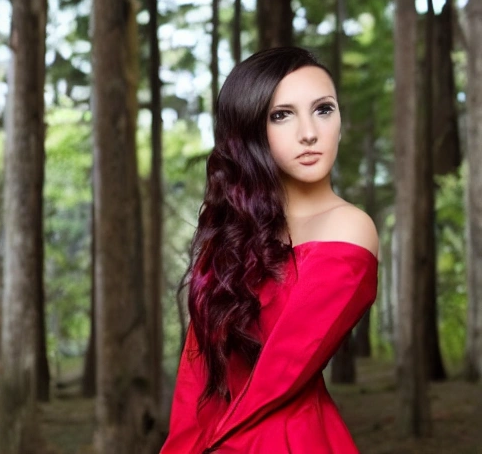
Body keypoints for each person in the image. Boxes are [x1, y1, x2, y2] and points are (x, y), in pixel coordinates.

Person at [160, 47, 379, 454]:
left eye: (323, 109)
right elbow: (197, 380)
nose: (309, 132)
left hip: (290, 441)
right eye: (282, 115)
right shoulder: (233, 238)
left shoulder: (348, 228)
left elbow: (283, 373)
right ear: (251, 132)